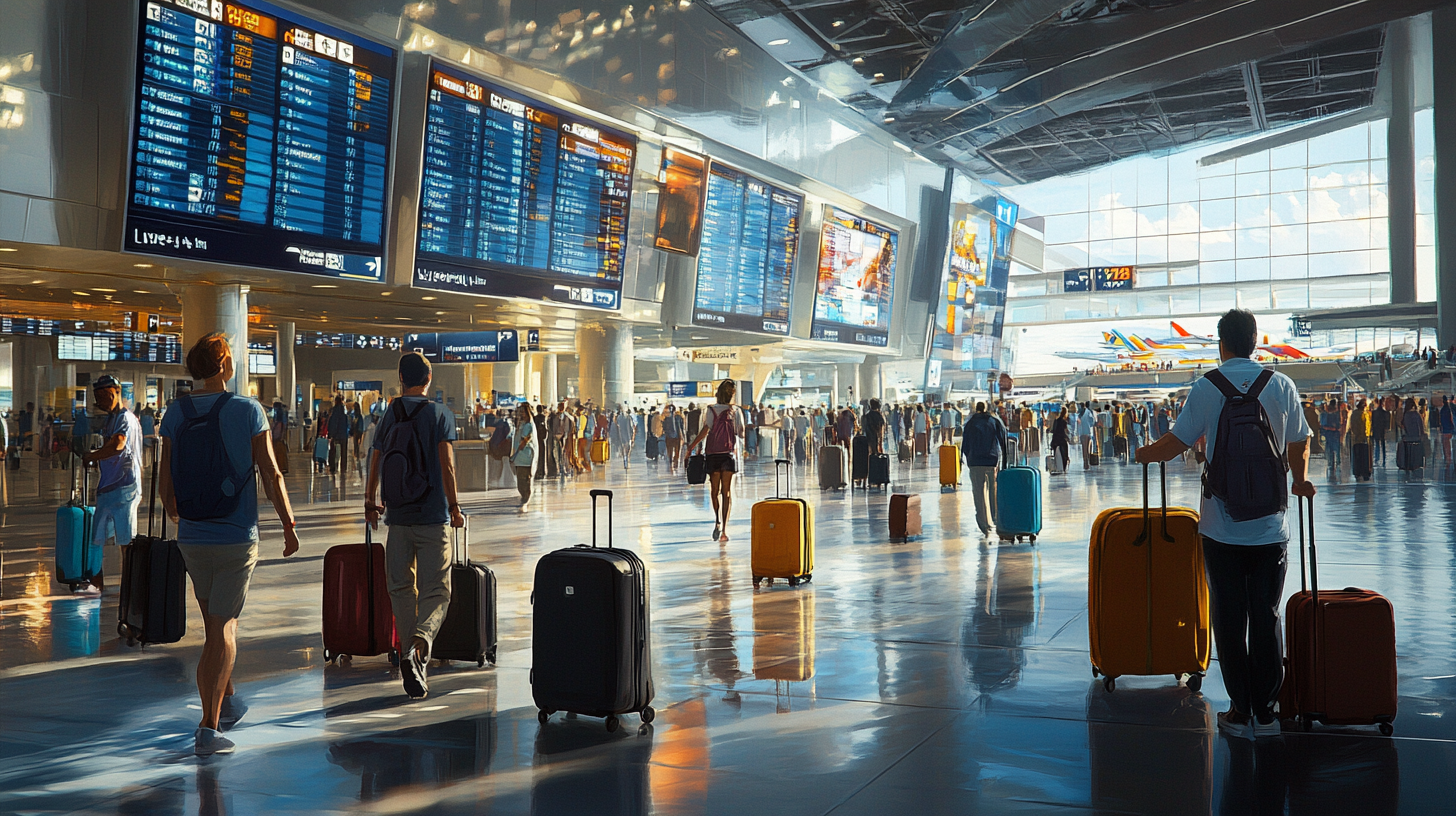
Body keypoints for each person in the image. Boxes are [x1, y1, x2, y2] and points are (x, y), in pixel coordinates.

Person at [1134, 309, 1313, 742]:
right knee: (1266, 616)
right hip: (1272, 528)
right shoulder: (1281, 385)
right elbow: (1299, 440)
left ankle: (1239, 710)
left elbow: (1176, 443)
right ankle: (1268, 714)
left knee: (1230, 620)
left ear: (1222, 342)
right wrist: (1300, 479)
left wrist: (1146, 455)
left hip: (1220, 528)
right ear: (1255, 339)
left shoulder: (1207, 387)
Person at [160, 333, 300, 756]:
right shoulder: (246, 409)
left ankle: (227, 697)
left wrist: (176, 514)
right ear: (223, 365)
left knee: (213, 628)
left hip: (193, 536)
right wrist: (289, 525)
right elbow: (271, 473)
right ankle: (208, 728)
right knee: (225, 628)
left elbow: (164, 476)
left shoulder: (175, 412)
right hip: (236, 537)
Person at [364, 352, 465, 701]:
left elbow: (375, 457)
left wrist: (369, 501)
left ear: (400, 378)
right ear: (429, 378)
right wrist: (454, 506)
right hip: (433, 516)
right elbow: (447, 464)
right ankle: (419, 646)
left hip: (397, 518)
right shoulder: (440, 414)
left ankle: (410, 654)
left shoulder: (390, 413)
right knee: (438, 590)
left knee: (401, 589)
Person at [77, 375, 143, 595]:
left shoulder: (126, 418)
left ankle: (131, 586)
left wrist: (93, 456)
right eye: (96, 397)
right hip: (108, 487)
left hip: (125, 488)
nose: (99, 401)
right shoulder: (111, 420)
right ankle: (96, 583)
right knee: (96, 539)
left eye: (102, 395)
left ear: (116, 391)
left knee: (126, 540)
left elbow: (117, 444)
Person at [687, 380, 745, 542]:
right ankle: (725, 529)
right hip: (728, 454)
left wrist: (692, 446)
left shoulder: (710, 410)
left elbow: (705, 430)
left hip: (712, 454)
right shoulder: (735, 411)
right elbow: (740, 433)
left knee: (714, 491)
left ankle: (717, 521)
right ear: (732, 394)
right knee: (726, 493)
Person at [961, 402, 1008, 538]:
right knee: (993, 492)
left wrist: (966, 457)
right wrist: (1004, 461)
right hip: (991, 461)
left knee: (979, 494)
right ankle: (996, 520)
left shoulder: (970, 423)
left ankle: (984, 525)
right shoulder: (994, 421)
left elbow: (965, 443)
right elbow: (1002, 440)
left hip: (975, 462)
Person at [510, 403, 538, 510]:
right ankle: (524, 497)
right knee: (520, 480)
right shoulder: (522, 424)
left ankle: (526, 497)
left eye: (523, 411)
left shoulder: (528, 426)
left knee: (524, 479)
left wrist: (517, 451)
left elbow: (524, 441)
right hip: (519, 457)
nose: (521, 413)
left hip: (525, 456)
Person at [1319, 399, 1342, 475]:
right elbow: (1339, 425)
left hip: (1329, 434)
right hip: (1335, 433)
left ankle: (1331, 462)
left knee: (1330, 449)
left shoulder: (1325, 415)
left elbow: (1323, 425)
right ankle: (1337, 462)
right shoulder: (1337, 414)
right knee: (1336, 448)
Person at [326, 396, 348, 475]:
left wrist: (331, 434)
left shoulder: (334, 412)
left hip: (335, 435)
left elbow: (332, 424)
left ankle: (333, 467)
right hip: (343, 435)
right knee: (343, 453)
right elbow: (347, 424)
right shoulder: (344, 413)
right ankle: (343, 468)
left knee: (333, 451)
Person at [662, 404, 685, 473]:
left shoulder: (677, 417)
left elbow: (681, 427)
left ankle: (675, 463)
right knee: (671, 452)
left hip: (675, 437)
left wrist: (683, 436)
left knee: (676, 451)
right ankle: (671, 464)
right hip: (671, 437)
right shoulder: (667, 418)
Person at [1049, 407, 1070, 474]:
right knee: (1064, 455)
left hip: (1055, 440)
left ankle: (1057, 467)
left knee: (1056, 454)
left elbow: (1053, 430)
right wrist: (1068, 438)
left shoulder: (1056, 421)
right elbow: (1064, 432)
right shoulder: (1064, 422)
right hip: (1062, 440)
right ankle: (1063, 468)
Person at [1371, 396, 1391, 466]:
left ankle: (1377, 458)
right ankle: (1384, 458)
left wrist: (1372, 429)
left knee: (1377, 444)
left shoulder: (1374, 412)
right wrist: (1387, 428)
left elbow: (1372, 422)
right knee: (1383, 444)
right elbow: (1387, 423)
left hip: (1376, 429)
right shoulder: (1385, 413)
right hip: (1382, 430)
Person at [1077, 402, 1097, 469]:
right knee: (1088, 447)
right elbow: (1092, 421)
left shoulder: (1079, 413)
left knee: (1084, 447)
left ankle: (1085, 460)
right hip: (1088, 431)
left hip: (1081, 432)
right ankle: (1087, 460)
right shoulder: (1088, 412)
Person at [1440, 395, 1454, 463]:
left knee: (1445, 444)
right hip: (1449, 429)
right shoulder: (1449, 409)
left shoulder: (1443, 410)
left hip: (1445, 429)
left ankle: (1447, 458)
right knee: (1448, 444)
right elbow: (1451, 419)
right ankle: (1448, 458)